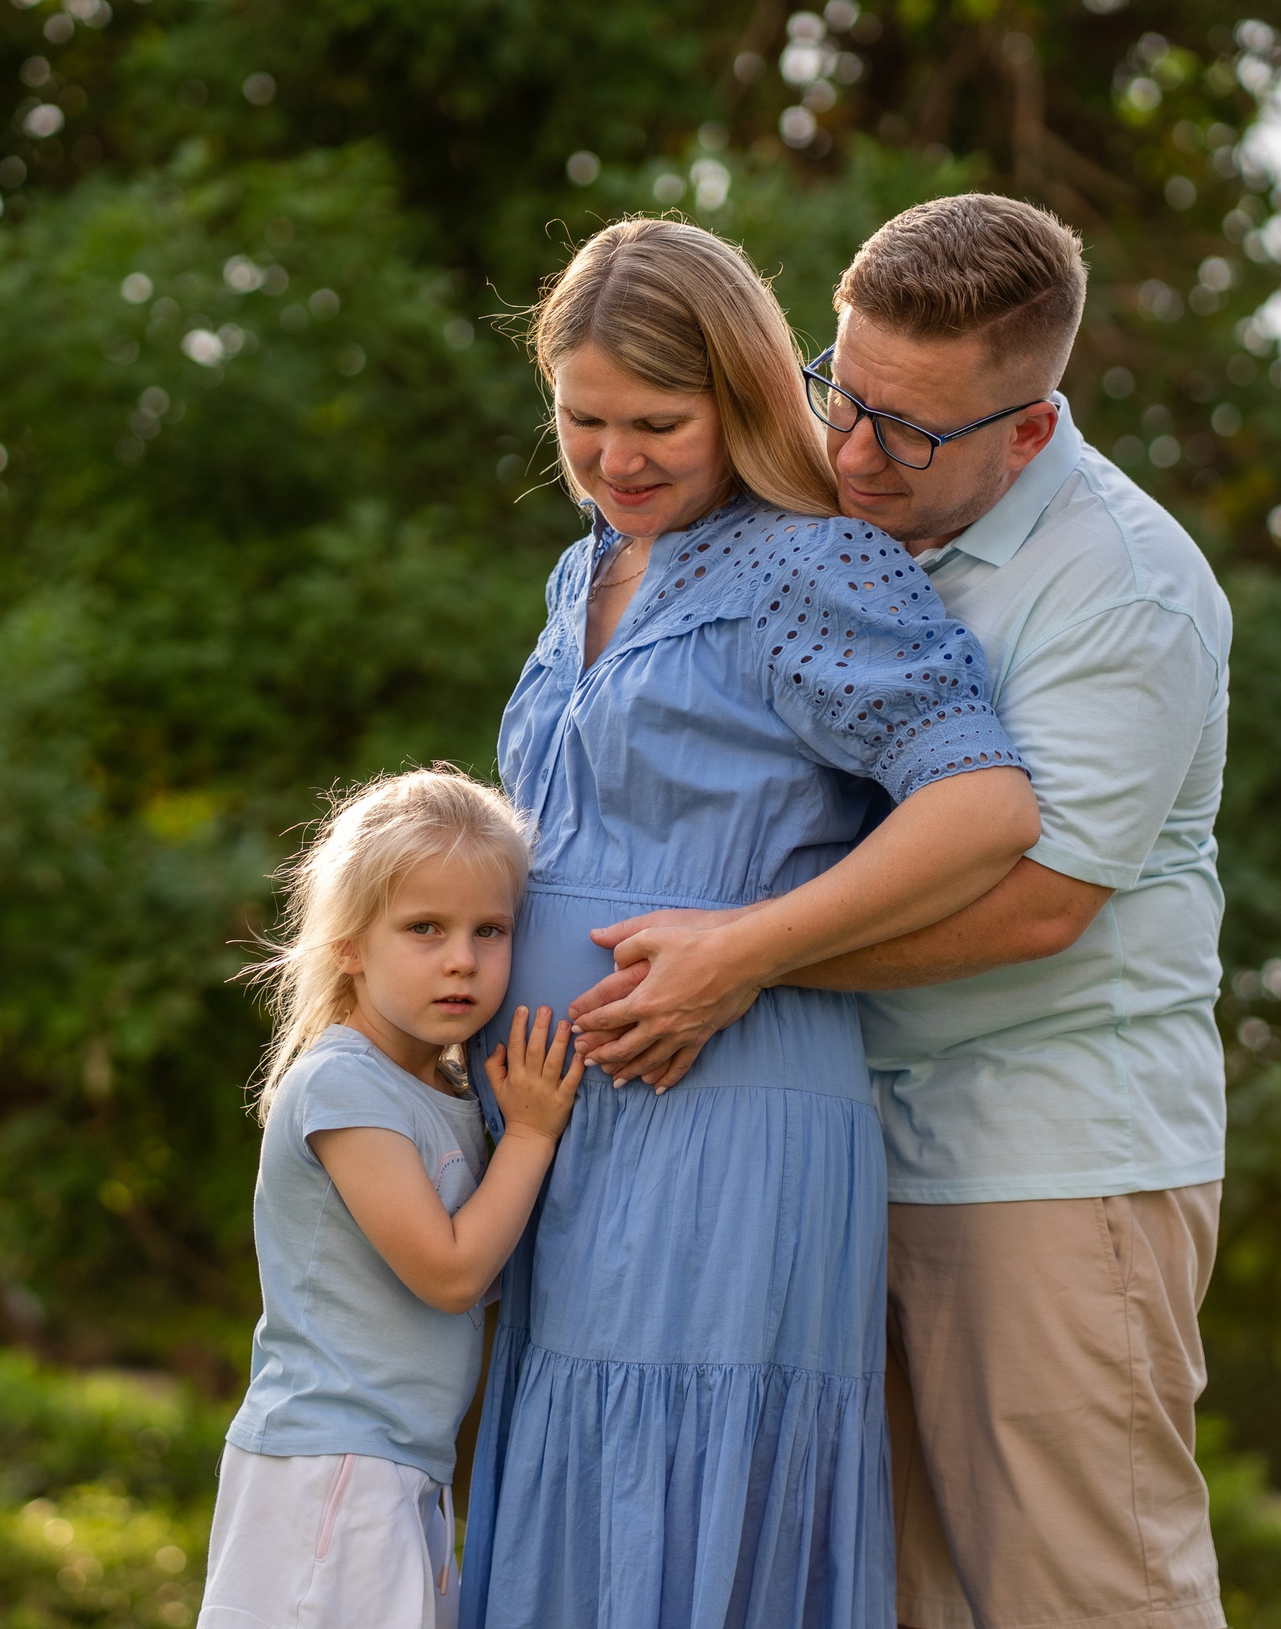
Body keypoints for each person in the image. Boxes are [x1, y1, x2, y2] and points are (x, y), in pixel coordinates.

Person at [578, 195, 1233, 1629]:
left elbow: (1039, 900)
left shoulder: (1124, 593)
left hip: (1050, 1158)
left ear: (1030, 426)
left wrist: (742, 959)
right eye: (843, 393)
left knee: (1084, 1592)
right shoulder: (825, 514)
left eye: (913, 432)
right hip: (845, 1144)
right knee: (897, 1597)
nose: (857, 452)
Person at [458, 216, 1039, 1627]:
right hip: (564, 1114)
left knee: (680, 1493)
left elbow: (984, 809)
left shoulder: (810, 567)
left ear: (746, 392)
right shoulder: (586, 564)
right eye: (583, 420)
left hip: (724, 1104)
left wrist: (746, 949)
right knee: (572, 1493)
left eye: (659, 420)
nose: (616, 458)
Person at [202, 768, 585, 1629]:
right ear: (348, 943)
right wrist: (529, 1136)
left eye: (491, 929)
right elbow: (452, 1275)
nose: (463, 957)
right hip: (332, 1467)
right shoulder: (344, 1085)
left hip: (397, 1466)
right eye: (425, 928)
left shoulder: (444, 1089)